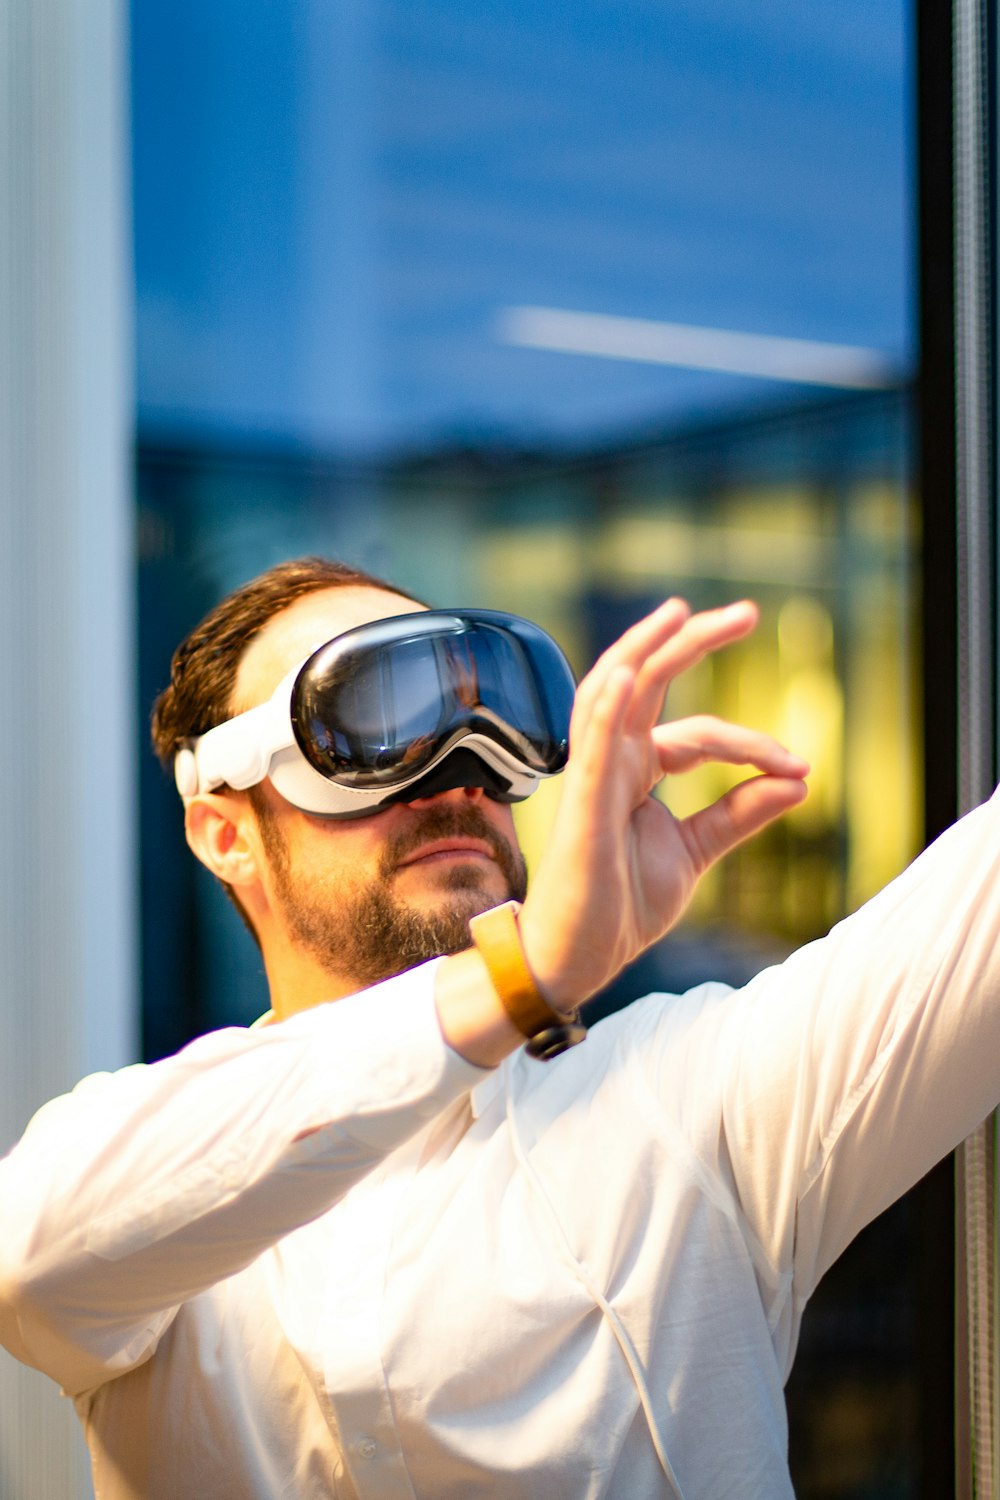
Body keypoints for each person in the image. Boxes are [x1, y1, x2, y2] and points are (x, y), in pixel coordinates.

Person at [1, 555, 999, 1500]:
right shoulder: (138, 1159)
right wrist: (524, 977)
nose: (459, 775)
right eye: (376, 718)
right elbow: (27, 1260)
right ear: (227, 831)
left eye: (480, 718)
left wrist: (532, 982)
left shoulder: (683, 1098)